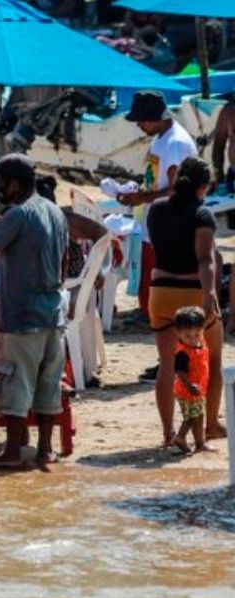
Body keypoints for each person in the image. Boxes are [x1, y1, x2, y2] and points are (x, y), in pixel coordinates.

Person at [0, 154, 67, 468]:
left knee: (15, 384)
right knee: (48, 385)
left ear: (12, 184)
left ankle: (12, 453)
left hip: (22, 316)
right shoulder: (54, 211)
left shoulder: (17, 215)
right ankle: (45, 450)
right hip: (54, 313)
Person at [145, 157, 225, 448]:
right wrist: (209, 294)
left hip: (160, 292)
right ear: (203, 187)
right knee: (212, 358)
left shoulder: (155, 210)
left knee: (167, 364)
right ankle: (212, 423)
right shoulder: (202, 215)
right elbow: (205, 259)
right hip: (191, 291)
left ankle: (168, 433)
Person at [120, 90, 197, 382]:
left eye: (141, 120)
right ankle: (168, 359)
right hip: (159, 226)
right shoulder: (161, 140)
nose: (139, 126)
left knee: (168, 300)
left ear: (153, 118)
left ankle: (177, 361)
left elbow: (179, 188)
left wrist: (144, 197)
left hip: (173, 230)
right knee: (160, 300)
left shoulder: (175, 144)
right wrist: (139, 192)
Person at [172, 306, 212, 454]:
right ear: (178, 333)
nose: (193, 339)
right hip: (188, 391)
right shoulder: (183, 352)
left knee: (198, 415)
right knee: (193, 417)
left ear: (203, 330)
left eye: (197, 334)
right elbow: (180, 372)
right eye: (188, 336)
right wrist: (190, 386)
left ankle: (199, 443)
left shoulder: (201, 343)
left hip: (198, 389)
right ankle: (182, 437)